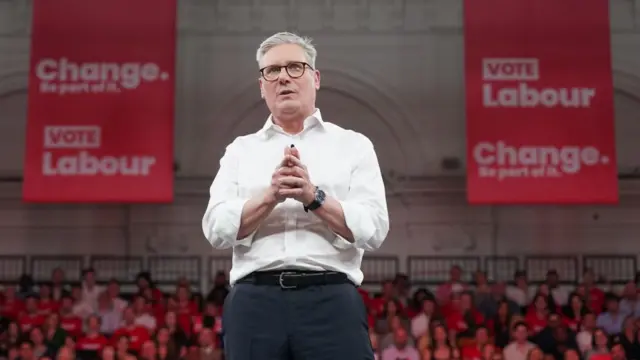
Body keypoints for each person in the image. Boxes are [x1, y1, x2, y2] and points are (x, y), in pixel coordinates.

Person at [202, 31, 390, 360]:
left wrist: (313, 196)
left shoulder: (353, 146)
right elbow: (216, 229)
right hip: (254, 302)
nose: (283, 77)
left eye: (295, 67)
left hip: (331, 300)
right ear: (262, 86)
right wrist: (270, 196)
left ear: (315, 78)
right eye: (272, 71)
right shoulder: (239, 151)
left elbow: (373, 229)